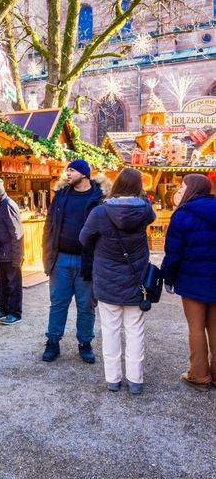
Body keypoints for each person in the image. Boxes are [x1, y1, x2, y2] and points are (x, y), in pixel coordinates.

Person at [79, 168, 155, 394]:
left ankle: (113, 379)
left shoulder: (100, 213)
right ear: (138, 186)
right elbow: (148, 214)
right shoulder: (146, 212)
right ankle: (135, 381)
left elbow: (84, 239)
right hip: (136, 280)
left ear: (117, 184)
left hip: (107, 278)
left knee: (110, 330)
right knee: (135, 331)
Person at [41, 160, 105, 363]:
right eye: (67, 170)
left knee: (86, 305)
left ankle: (85, 343)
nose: (67, 173)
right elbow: (49, 227)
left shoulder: (99, 198)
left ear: (85, 174)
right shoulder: (60, 197)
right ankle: (53, 342)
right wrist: (47, 254)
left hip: (88, 260)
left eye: (72, 170)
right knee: (58, 303)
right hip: (60, 259)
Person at [160, 174, 216, 391]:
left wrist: (168, 277)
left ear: (192, 189)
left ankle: (199, 376)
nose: (179, 191)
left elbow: (173, 253)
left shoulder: (182, 215)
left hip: (192, 281)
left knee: (196, 329)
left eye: (182, 187)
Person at [0, 179, 24, 325]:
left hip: (9, 253)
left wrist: (17, 256)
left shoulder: (8, 206)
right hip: (1, 252)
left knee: (13, 284)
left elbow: (16, 233)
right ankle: (3, 309)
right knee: (3, 283)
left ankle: (15, 312)